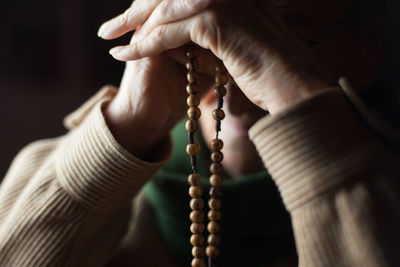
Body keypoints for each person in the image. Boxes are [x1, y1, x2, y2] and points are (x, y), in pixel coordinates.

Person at [0, 0, 399, 266]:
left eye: (287, 38)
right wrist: (127, 125)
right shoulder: (93, 177)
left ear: (368, 52)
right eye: (202, 35)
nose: (232, 71)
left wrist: (295, 99)